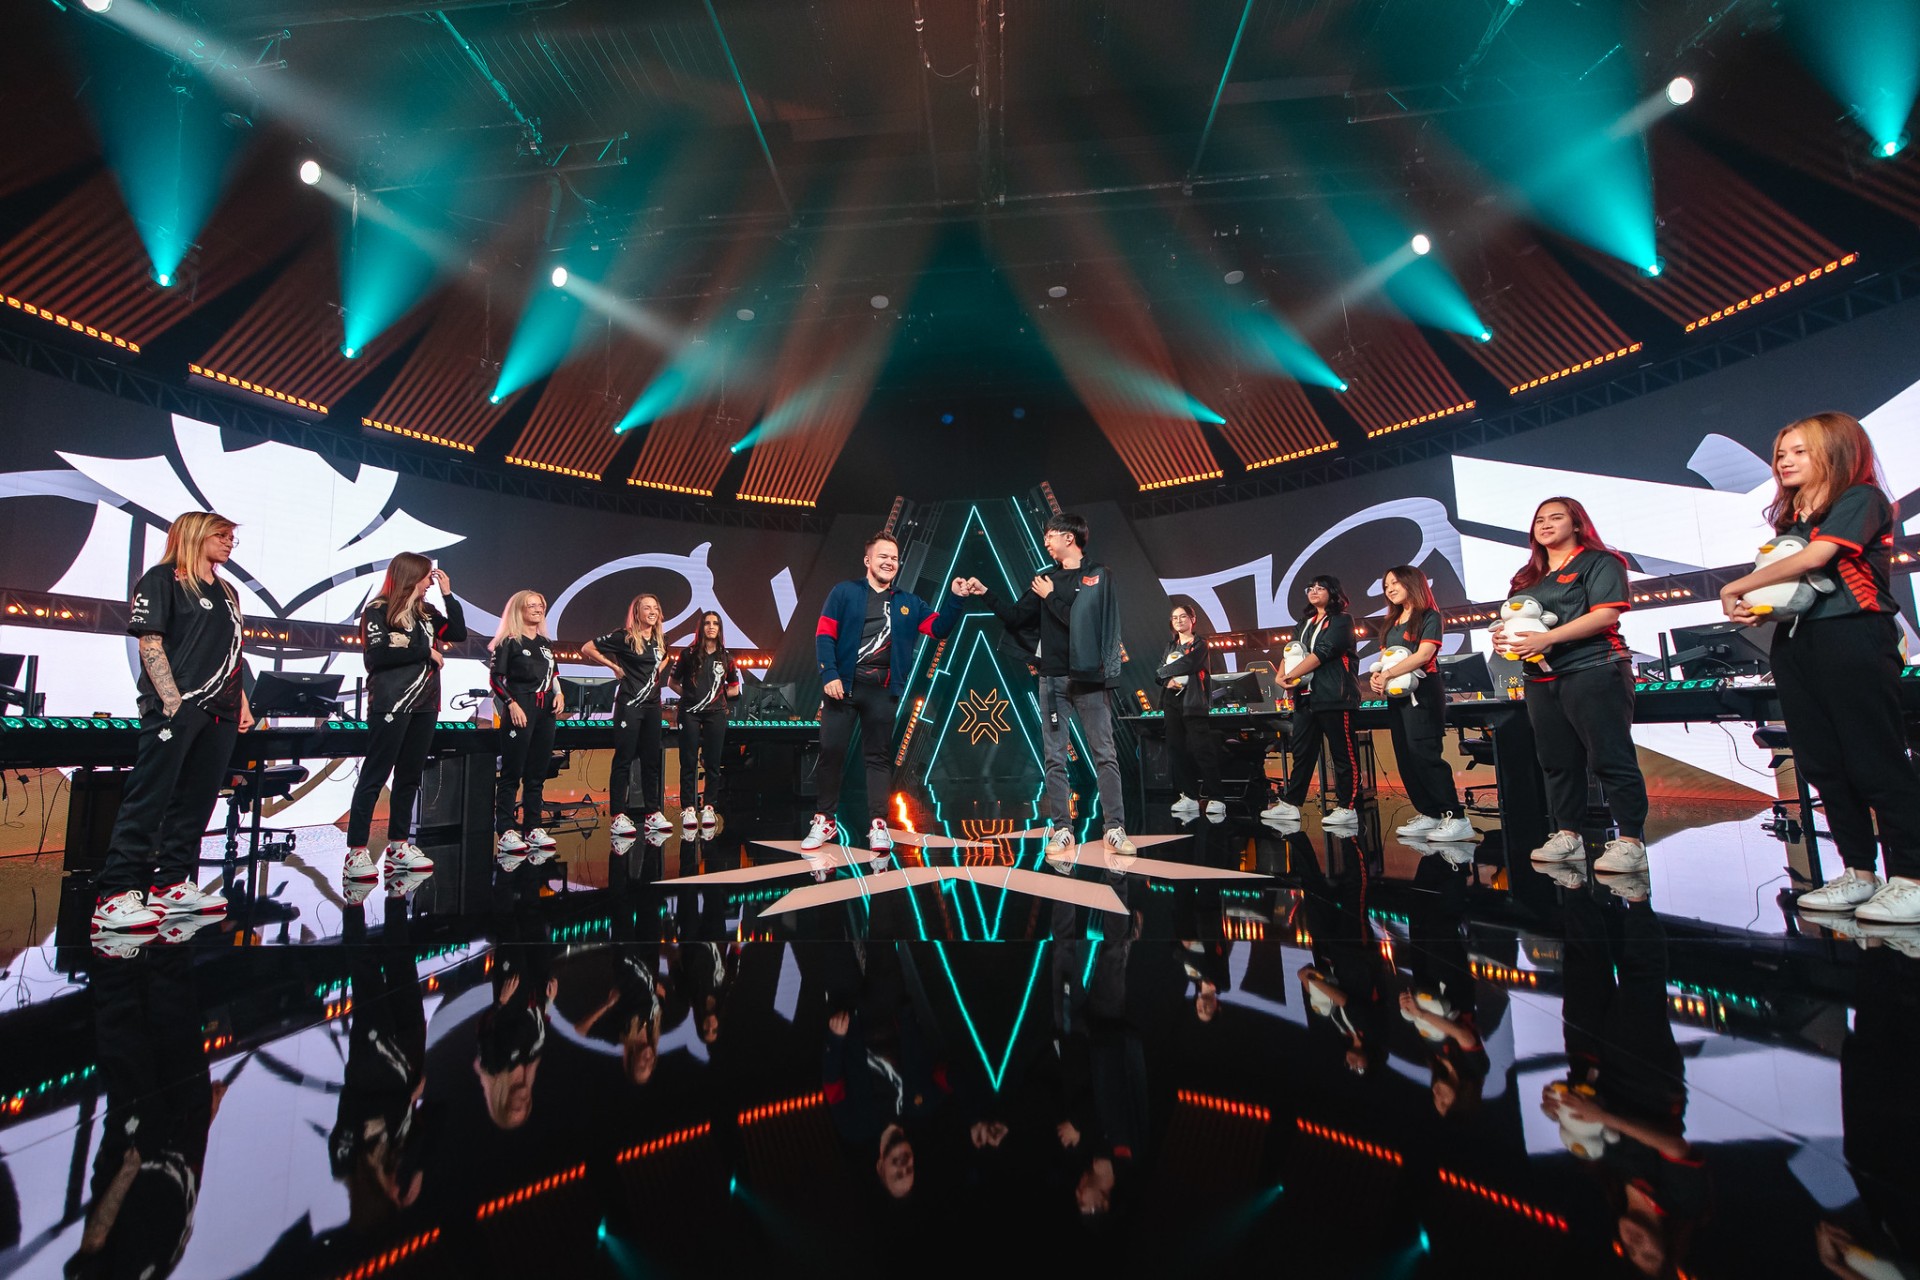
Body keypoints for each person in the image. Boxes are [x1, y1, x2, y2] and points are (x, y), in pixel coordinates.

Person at [1720, 412, 1920, 925]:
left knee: (1874, 759)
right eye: (1781, 453)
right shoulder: (1792, 522)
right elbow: (1795, 587)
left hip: (1853, 635)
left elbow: (1820, 557)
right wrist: (1760, 607)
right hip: (1796, 642)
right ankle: (1859, 872)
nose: (1784, 461)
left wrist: (1737, 586)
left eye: (1799, 451)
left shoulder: (1861, 499)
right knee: (1823, 762)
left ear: (1835, 452)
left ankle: (1912, 878)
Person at [91, 511, 254, 934]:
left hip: (222, 709)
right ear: (196, 534)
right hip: (177, 706)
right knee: (151, 797)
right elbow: (150, 642)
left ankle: (171, 885)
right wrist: (171, 700)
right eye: (221, 535)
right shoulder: (162, 579)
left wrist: (242, 702)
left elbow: (233, 651)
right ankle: (115, 894)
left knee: (197, 800)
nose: (229, 542)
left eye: (232, 537)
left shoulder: (229, 591)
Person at [1492, 497, 1650, 876]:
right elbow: (1518, 621)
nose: (1545, 525)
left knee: (1609, 756)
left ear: (1577, 524)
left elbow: (1606, 615)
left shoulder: (1601, 562)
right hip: (1540, 677)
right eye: (1539, 520)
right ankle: (1568, 835)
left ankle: (1631, 841)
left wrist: (1548, 638)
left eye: (1556, 517)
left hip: (1593, 668)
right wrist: (1502, 638)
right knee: (1556, 761)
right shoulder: (1527, 576)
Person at [967, 511, 1133, 858]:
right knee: (1054, 758)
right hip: (1052, 678)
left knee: (1105, 754)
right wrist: (985, 593)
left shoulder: (1097, 575)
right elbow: (1015, 617)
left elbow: (1085, 623)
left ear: (1069, 537)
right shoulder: (1045, 579)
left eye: (1050, 535)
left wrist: (1051, 597)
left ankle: (1114, 828)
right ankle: (1062, 830)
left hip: (1090, 679)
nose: (1045, 541)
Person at [808, 531, 967, 853]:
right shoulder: (844, 592)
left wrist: (956, 598)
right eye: (883, 556)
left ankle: (878, 824)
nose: (889, 562)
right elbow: (824, 634)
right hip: (842, 687)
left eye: (894, 558)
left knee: (879, 758)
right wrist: (829, 673)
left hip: (883, 690)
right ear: (868, 560)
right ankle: (824, 819)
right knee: (831, 751)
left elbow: (939, 629)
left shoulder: (909, 602)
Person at [345, 554, 465, 887]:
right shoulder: (378, 609)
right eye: (427, 577)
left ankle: (399, 846)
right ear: (411, 576)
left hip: (426, 705)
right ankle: (356, 852)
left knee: (409, 776)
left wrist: (448, 595)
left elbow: (457, 632)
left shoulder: (427, 612)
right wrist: (424, 650)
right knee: (375, 776)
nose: (429, 583)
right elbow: (377, 656)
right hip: (391, 703)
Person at [1370, 565, 1474, 844]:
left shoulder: (1429, 616)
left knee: (1424, 753)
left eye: (1395, 583)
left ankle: (1456, 817)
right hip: (1397, 695)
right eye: (1386, 585)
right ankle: (1430, 813)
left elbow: (1424, 654)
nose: (1390, 589)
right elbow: (1385, 657)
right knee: (1405, 756)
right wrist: (1378, 676)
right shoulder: (1392, 622)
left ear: (1412, 583)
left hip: (1424, 692)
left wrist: (1389, 673)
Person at [1261, 575, 1360, 827]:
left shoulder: (1342, 620)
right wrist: (1281, 675)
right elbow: (1291, 650)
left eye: (1320, 588)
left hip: (1334, 696)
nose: (1314, 591)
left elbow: (1324, 651)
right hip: (1306, 698)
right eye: (1310, 588)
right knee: (1302, 752)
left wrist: (1292, 675)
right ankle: (1291, 804)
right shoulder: (1304, 623)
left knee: (1343, 753)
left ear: (1333, 592)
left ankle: (1347, 807)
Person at [582, 593, 670, 838]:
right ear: (637, 612)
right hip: (629, 704)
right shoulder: (624, 637)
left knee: (651, 760)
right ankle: (618, 815)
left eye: (655, 607)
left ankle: (652, 812)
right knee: (624, 759)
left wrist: (655, 675)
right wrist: (614, 667)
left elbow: (664, 658)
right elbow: (587, 647)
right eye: (647, 608)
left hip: (652, 706)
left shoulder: (661, 639)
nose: (652, 612)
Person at [489, 590, 564, 862]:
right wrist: (511, 704)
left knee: (537, 773)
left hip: (546, 711)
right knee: (512, 772)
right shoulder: (509, 641)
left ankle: (533, 827)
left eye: (540, 605)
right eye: (531, 605)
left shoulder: (545, 643)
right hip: (520, 706)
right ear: (519, 610)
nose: (537, 609)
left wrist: (559, 693)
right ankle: (506, 830)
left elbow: (553, 674)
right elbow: (496, 679)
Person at [671, 611, 741, 830]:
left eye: (715, 623)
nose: (711, 627)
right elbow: (672, 682)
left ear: (720, 628)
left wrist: (717, 697)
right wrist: (691, 697)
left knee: (712, 761)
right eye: (707, 623)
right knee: (688, 760)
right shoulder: (688, 654)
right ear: (701, 627)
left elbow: (735, 688)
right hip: (690, 713)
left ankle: (709, 807)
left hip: (715, 714)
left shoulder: (727, 657)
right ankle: (689, 809)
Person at [1156, 600, 1224, 818]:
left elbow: (1189, 664)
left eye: (1183, 616)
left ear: (1192, 619)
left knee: (1202, 750)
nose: (1178, 621)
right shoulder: (1170, 646)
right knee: (1176, 749)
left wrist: (1162, 673)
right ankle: (1189, 795)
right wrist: (1164, 679)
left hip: (1193, 702)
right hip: (1171, 703)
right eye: (1175, 618)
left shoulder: (1200, 644)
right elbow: (1160, 670)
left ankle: (1216, 797)